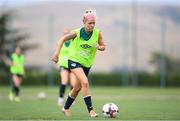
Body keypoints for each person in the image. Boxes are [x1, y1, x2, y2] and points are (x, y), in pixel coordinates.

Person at [52, 9, 105, 117]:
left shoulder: (97, 33)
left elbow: (103, 46)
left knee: (76, 88)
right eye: (90, 23)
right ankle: (91, 110)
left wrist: (99, 47)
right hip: (74, 61)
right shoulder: (76, 33)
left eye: (94, 23)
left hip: (86, 65)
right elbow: (61, 39)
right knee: (85, 82)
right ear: (84, 23)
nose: (92, 25)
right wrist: (56, 54)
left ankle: (65, 107)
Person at [57, 28, 76, 106]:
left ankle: (71, 99)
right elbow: (57, 53)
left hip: (72, 65)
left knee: (73, 83)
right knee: (64, 81)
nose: (66, 35)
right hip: (63, 65)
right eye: (64, 33)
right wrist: (57, 64)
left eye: (67, 33)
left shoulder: (73, 42)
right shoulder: (61, 43)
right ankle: (60, 98)